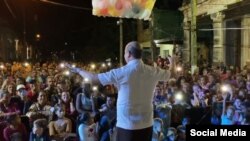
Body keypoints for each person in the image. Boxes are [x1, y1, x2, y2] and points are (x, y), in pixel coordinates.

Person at [67, 41, 175, 141]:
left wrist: (78, 70)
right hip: (147, 124)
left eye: (124, 53)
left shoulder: (122, 72)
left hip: (127, 126)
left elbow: (93, 79)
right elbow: (172, 74)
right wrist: (173, 62)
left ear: (128, 54)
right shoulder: (153, 71)